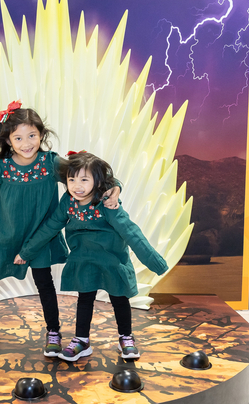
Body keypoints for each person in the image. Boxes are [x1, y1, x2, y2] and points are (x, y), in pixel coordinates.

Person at [0, 101, 120, 357]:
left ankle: (53, 332)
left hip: (40, 239)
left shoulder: (50, 163)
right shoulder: (1, 168)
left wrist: (114, 186)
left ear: (41, 135)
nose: (26, 143)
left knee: (44, 283)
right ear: (8, 141)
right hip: (3, 237)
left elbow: (88, 173)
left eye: (32, 135)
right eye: (18, 138)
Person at [14, 151, 168, 362]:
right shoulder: (68, 202)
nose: (77, 186)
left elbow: (130, 232)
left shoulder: (107, 203)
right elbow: (50, 227)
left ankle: (126, 337)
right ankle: (81, 340)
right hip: (83, 258)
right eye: (71, 179)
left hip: (111, 259)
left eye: (84, 180)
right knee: (85, 299)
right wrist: (26, 251)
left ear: (98, 181)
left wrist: (155, 262)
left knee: (119, 298)